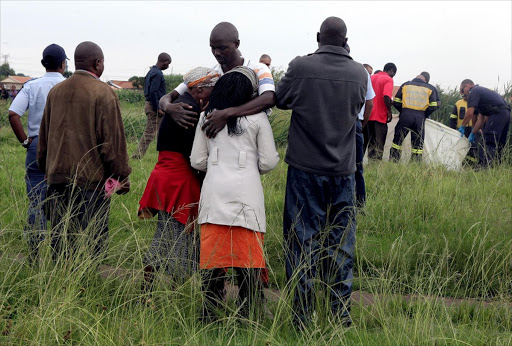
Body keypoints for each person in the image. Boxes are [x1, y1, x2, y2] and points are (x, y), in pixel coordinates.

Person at [276, 16, 367, 328]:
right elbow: (356, 111)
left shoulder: (301, 67)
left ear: (318, 37)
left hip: (305, 169)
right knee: (341, 244)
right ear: (345, 40)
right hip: (343, 171)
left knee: (302, 241)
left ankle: (302, 318)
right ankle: (340, 316)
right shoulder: (359, 73)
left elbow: (282, 99)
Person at [190, 66, 279, 321]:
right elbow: (269, 162)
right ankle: (249, 311)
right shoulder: (259, 119)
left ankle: (209, 311)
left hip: (214, 196)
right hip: (247, 196)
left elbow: (197, 161)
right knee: (247, 259)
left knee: (212, 259)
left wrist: (217, 165)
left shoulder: (206, 116)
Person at [37, 41, 131, 262]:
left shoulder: (56, 92)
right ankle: (85, 290)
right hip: (91, 182)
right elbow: (113, 144)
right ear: (98, 63)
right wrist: (121, 176)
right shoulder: (105, 93)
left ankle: (60, 288)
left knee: (61, 242)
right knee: (91, 245)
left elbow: (44, 138)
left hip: (57, 179)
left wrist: (46, 168)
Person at [138, 67, 218, 291]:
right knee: (170, 236)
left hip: (166, 176)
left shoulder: (181, 104)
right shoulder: (189, 109)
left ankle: (164, 289)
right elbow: (195, 155)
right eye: (212, 88)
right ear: (200, 88)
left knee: (173, 235)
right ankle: (151, 290)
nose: (214, 92)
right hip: (178, 180)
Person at [159, 22, 276, 139]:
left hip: (251, 138)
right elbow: (168, 97)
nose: (216, 53)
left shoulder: (258, 69)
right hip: (218, 141)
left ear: (236, 44)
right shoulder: (209, 75)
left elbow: (269, 98)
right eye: (212, 48)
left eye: (222, 48)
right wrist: (169, 108)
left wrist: (227, 114)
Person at [8, 43, 67, 262]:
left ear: (44, 64)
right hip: (64, 147)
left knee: (37, 199)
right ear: (63, 64)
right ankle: (59, 253)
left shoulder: (32, 86)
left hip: (36, 145)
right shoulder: (68, 85)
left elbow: (14, 113)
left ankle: (34, 253)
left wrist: (25, 140)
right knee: (63, 198)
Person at [459, 79, 511, 167]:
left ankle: (484, 166)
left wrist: (463, 126)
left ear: (467, 86)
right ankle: (497, 166)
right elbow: (481, 119)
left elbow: (469, 113)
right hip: (506, 113)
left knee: (488, 139)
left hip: (498, 113)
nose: (462, 93)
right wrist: (473, 133)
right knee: (499, 142)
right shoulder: (482, 95)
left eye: (461, 90)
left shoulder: (474, 91)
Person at [389, 74, 439, 162]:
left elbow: (396, 102)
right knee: (418, 143)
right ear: (425, 80)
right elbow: (434, 106)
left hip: (405, 115)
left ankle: (394, 160)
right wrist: (425, 114)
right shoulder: (430, 88)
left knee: (398, 139)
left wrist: (403, 111)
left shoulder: (405, 85)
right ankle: (415, 163)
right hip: (420, 117)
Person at [132, 52, 171, 159]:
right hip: (154, 106)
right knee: (150, 133)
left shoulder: (151, 72)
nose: (168, 66)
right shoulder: (157, 74)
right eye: (168, 64)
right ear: (165, 62)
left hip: (151, 104)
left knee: (162, 130)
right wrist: (158, 108)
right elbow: (153, 92)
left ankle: (164, 153)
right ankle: (137, 155)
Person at [364, 63, 397, 160]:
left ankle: (370, 164)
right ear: (391, 71)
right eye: (393, 73)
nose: (393, 76)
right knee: (379, 144)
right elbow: (386, 96)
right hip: (380, 117)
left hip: (368, 116)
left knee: (370, 142)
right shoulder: (388, 79)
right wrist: (389, 111)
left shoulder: (372, 77)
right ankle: (376, 167)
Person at [356, 68, 375, 209]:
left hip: (329, 124)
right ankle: (359, 204)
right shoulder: (361, 72)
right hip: (355, 123)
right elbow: (370, 104)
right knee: (357, 166)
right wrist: (361, 125)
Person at [450, 93, 477, 163]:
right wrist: (453, 129)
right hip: (461, 130)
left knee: (473, 147)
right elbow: (453, 117)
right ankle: (461, 161)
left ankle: (472, 162)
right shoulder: (458, 103)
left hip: (473, 129)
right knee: (461, 146)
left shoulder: (475, 104)